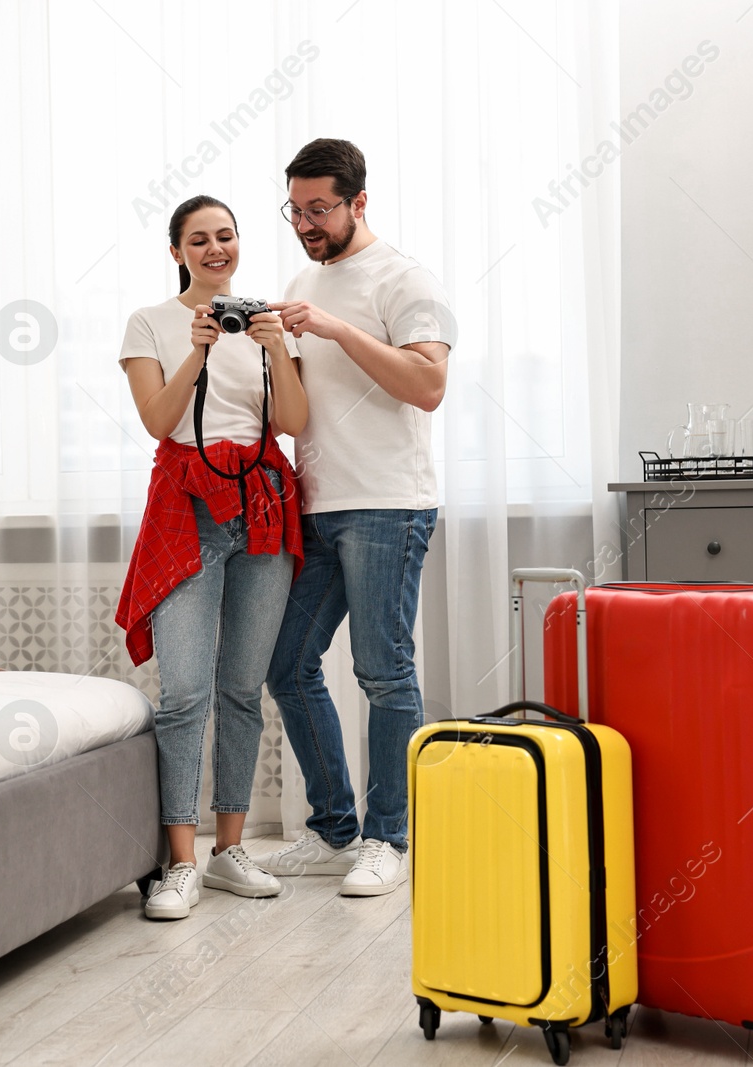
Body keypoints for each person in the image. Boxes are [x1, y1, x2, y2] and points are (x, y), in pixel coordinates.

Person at [260, 138, 453, 897]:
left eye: (320, 209)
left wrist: (336, 329)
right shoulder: (303, 277)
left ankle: (388, 837)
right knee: (287, 663)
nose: (306, 224)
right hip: (318, 501)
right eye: (296, 210)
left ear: (358, 202)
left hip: (387, 503)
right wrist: (274, 349)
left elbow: (429, 384)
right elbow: (297, 407)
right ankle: (336, 830)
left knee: (382, 670)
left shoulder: (407, 279)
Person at [115, 194, 309, 921]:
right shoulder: (151, 324)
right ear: (177, 252)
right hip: (186, 508)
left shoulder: (264, 324)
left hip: (261, 501)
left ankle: (230, 850)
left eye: (226, 236)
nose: (215, 248)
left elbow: (291, 421)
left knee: (240, 688)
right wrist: (198, 348)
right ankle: (181, 860)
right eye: (199, 239)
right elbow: (159, 422)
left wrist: (271, 348)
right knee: (185, 692)